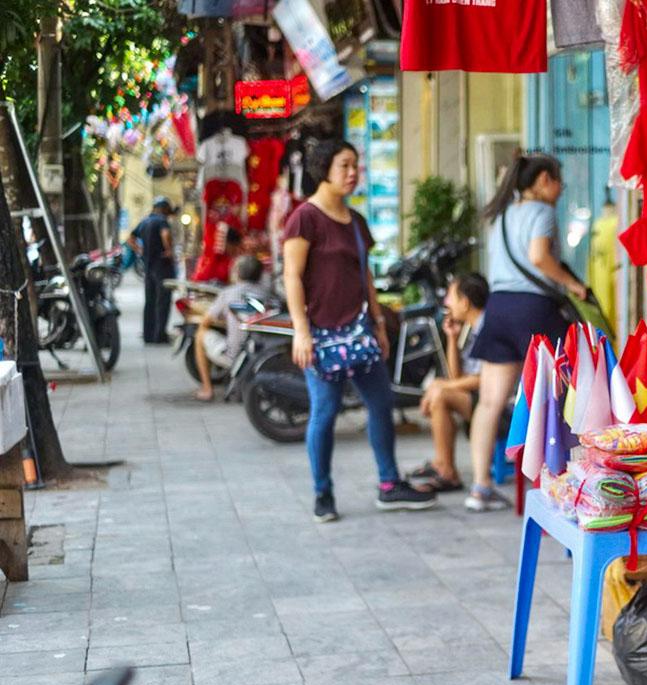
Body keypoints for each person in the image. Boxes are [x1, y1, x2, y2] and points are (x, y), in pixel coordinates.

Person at [282, 139, 437, 522]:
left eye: (356, 166)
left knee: (381, 404)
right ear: (324, 170)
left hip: (359, 332)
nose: (353, 173)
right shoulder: (305, 218)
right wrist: (301, 331)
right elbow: (292, 275)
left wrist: (379, 324)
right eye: (345, 165)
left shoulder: (356, 222)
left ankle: (389, 484)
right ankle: (322, 493)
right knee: (326, 411)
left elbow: (364, 274)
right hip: (320, 334)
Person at [466, 152, 586, 512]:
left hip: (498, 307)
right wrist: (573, 284)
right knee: (557, 398)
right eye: (558, 180)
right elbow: (538, 257)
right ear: (544, 180)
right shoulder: (543, 213)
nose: (561, 188)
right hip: (534, 309)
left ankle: (480, 487)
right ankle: (557, 485)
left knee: (489, 402)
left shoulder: (501, 215)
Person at [406, 272, 488, 493]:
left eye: (450, 296)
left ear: (465, 302)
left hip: (497, 405)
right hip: (480, 399)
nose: (446, 302)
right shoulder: (473, 329)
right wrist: (452, 338)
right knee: (440, 393)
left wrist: (438, 387)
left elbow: (483, 379)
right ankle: (443, 466)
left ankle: (446, 471)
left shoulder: (488, 328)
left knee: (441, 394)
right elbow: (457, 379)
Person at [193, 255, 272, 401]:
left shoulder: (228, 293)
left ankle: (207, 389)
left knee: (200, 334)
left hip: (235, 356)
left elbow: (205, 322)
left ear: (237, 273)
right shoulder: (267, 293)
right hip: (263, 355)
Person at [130, 196, 177, 344]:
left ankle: (148, 335)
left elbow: (130, 238)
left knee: (150, 301)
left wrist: (140, 250)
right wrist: (169, 250)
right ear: (163, 209)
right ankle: (159, 335)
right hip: (162, 266)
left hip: (148, 267)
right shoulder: (161, 221)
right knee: (162, 301)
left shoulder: (145, 221)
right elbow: (166, 234)